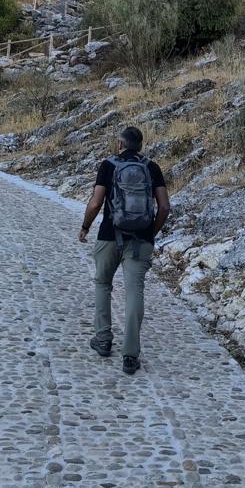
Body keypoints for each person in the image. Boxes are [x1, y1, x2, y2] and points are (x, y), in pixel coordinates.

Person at [78, 126, 171, 375]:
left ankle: (103, 339)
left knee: (102, 284)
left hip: (109, 236)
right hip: (141, 240)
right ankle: (130, 355)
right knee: (134, 292)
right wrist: (150, 233)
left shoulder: (108, 165)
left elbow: (96, 202)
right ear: (140, 146)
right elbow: (164, 207)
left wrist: (85, 227)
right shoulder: (152, 168)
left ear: (120, 144)